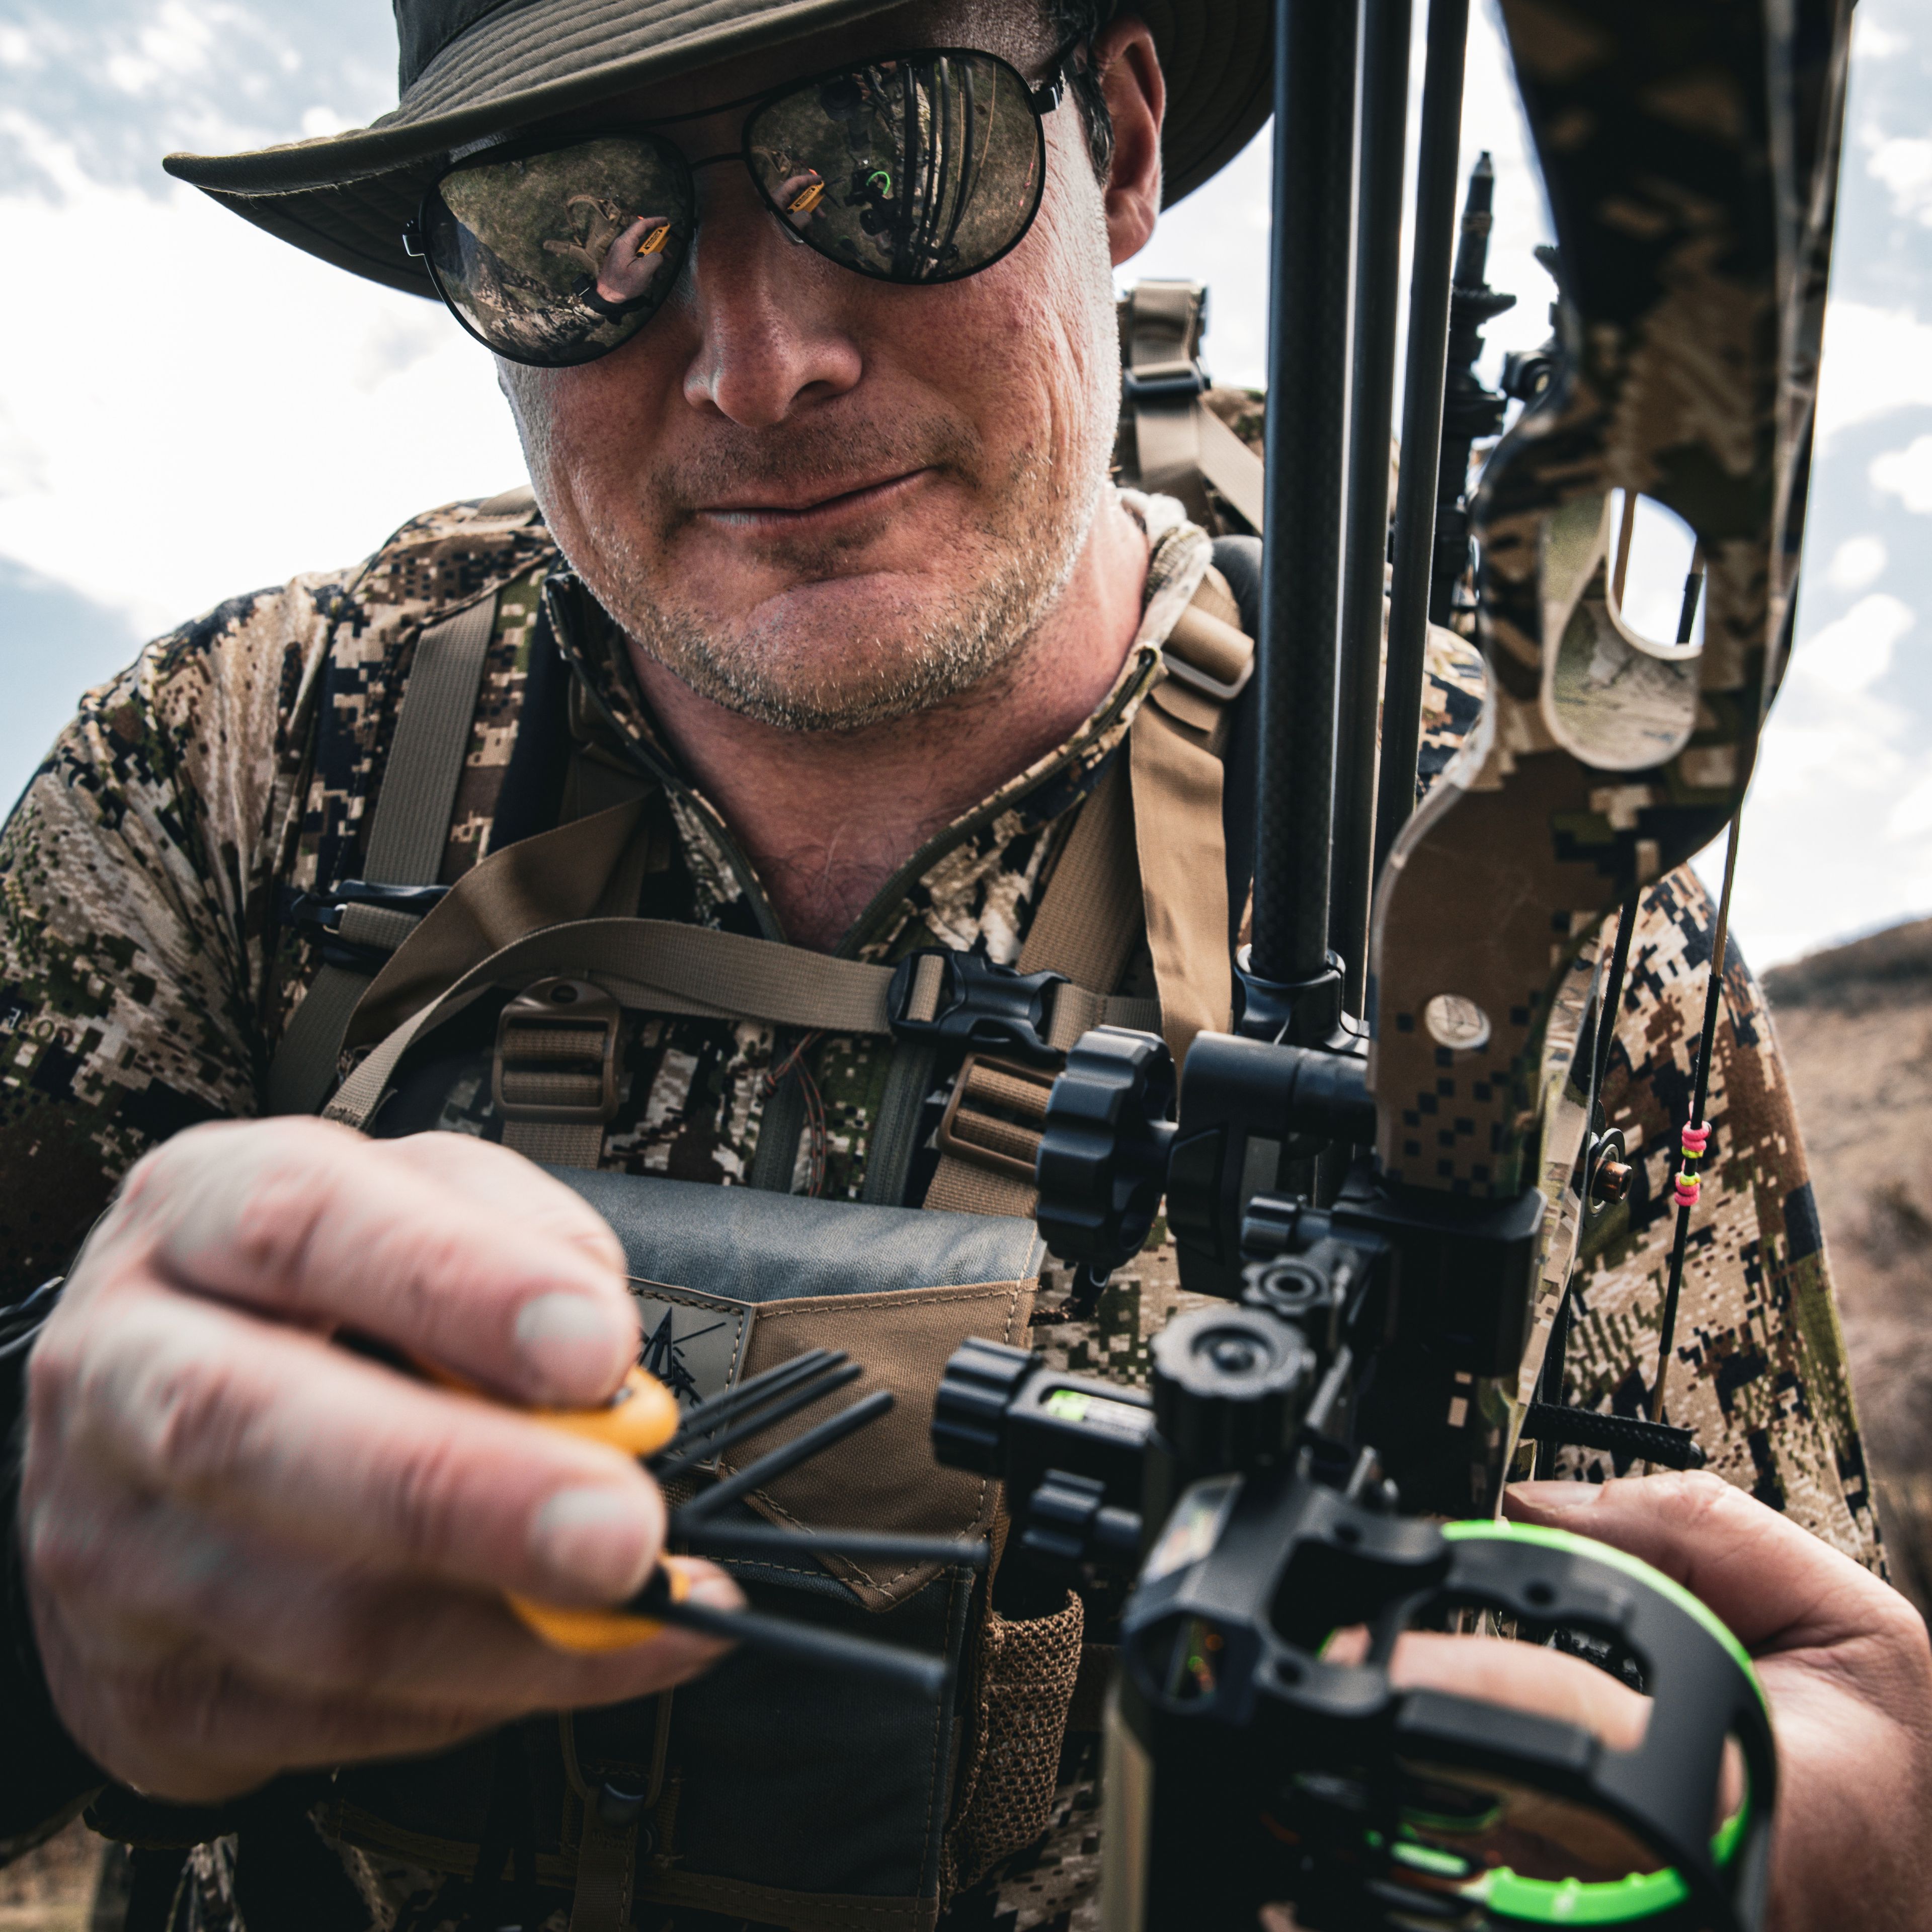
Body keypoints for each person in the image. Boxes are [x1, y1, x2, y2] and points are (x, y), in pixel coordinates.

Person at [0, 0, 1910, 1926]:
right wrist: (44, 1585)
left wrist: (1828, 1841)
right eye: (574, 222)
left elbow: (1759, 1692)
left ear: (1129, 143)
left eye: (898, 150)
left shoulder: (1515, 892)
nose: (762, 365)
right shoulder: (241, 764)